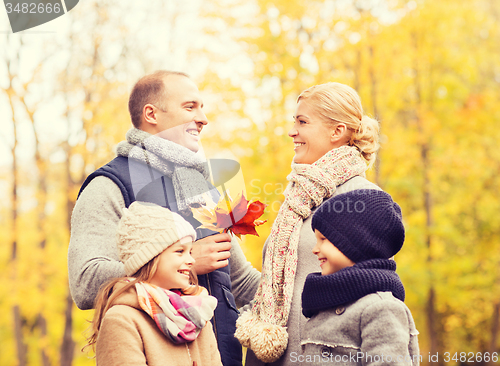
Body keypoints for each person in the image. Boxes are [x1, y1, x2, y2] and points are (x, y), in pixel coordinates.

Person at [69, 70, 260, 366]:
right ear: (151, 114)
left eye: (202, 107)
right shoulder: (108, 185)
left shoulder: (202, 187)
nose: (203, 118)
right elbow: (85, 282)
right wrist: (184, 262)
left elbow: (241, 282)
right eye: (190, 107)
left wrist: (317, 295)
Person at [235, 82, 382, 365]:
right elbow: (279, 292)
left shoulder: (364, 199)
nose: (292, 131)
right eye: (294, 121)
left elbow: (376, 300)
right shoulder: (299, 198)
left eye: (302, 122)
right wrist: (220, 234)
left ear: (336, 131)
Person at [87, 201, 223, 366]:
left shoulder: (197, 315)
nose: (191, 260)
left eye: (190, 252)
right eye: (180, 251)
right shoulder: (121, 320)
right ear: (150, 258)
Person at [300, 190, 420, 365]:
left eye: (323, 239)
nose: (315, 249)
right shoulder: (327, 303)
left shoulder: (380, 308)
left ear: (355, 243)